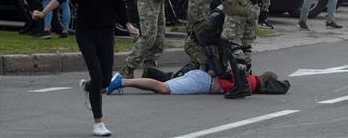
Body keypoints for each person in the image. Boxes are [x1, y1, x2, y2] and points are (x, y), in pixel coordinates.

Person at [32, 0, 139, 136]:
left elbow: (120, 2)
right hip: (85, 30)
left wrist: (128, 25)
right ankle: (98, 123)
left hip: (107, 29)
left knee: (106, 80)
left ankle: (90, 87)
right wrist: (43, 12)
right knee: (98, 74)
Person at [106, 69, 290, 96]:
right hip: (203, 83)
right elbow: (225, 89)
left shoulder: (247, 75)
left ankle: (122, 82)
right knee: (163, 88)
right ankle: (122, 81)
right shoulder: (249, 83)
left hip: (200, 77)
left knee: (162, 85)